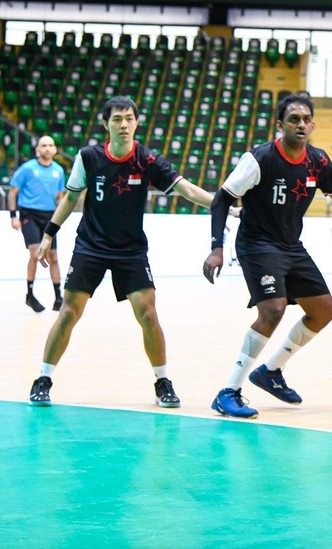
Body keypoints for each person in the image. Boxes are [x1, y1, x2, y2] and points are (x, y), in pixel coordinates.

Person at [203, 94, 332, 419]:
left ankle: (271, 371)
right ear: (280, 124)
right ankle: (228, 392)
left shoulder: (318, 161)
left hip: (290, 246)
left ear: (312, 125)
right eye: (293, 119)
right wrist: (217, 248)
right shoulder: (259, 158)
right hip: (256, 244)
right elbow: (221, 200)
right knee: (274, 309)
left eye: (305, 119)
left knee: (323, 310)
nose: (301, 124)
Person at [27, 96, 216, 408]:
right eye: (117, 119)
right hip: (91, 244)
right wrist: (49, 232)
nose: (124, 124)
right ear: (106, 124)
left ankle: (162, 381)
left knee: (148, 312)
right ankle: (43, 378)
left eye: (129, 118)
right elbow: (71, 198)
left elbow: (186, 188)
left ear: (137, 123)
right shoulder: (88, 157)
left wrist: (224, 205)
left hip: (130, 250)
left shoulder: (148, 160)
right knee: (69, 311)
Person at [8, 135, 66, 312]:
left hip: (49, 217)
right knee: (35, 254)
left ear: (55, 149)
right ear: (37, 149)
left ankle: (58, 298)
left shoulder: (58, 171)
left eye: (50, 145)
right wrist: (13, 217)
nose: (47, 148)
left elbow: (60, 197)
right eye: (44, 145)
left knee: (53, 257)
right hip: (29, 215)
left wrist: (59, 218)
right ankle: (30, 294)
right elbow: (12, 193)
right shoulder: (27, 169)